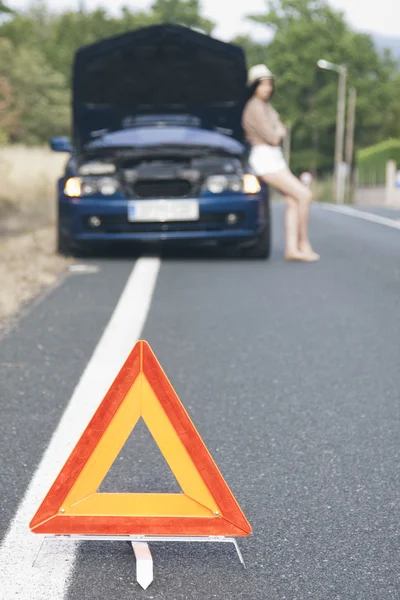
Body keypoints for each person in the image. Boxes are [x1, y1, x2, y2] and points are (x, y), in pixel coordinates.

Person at [242, 64, 319, 262]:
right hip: (265, 159)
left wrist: (279, 129)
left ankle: (292, 248)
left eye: (269, 84)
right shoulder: (254, 107)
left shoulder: (265, 106)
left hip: (273, 158)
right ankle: (304, 244)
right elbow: (274, 136)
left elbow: (278, 130)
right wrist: (279, 130)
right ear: (254, 86)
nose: (267, 88)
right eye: (263, 84)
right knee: (304, 195)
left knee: (293, 200)